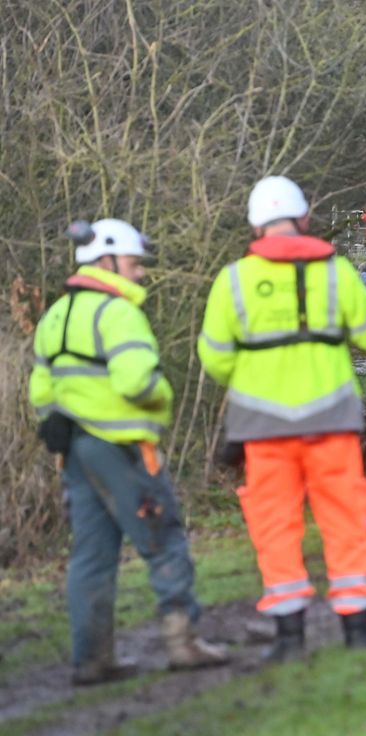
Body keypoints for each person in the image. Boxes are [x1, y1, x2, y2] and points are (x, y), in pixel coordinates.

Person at [197, 176, 366, 661]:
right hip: (331, 419)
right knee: (345, 517)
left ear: (255, 225)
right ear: (305, 220)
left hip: (263, 427)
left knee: (274, 523)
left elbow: (216, 359)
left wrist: (260, 370)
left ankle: (289, 636)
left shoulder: (234, 280)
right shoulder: (335, 272)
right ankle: (358, 631)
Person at [29, 219, 228, 685]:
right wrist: (163, 394)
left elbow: (42, 392)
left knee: (91, 556)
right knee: (164, 540)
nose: (140, 274)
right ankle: (184, 643)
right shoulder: (119, 314)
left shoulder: (55, 316)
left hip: (74, 455)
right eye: (135, 264)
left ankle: (91, 658)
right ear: (107, 261)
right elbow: (137, 382)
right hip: (123, 450)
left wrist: (64, 418)